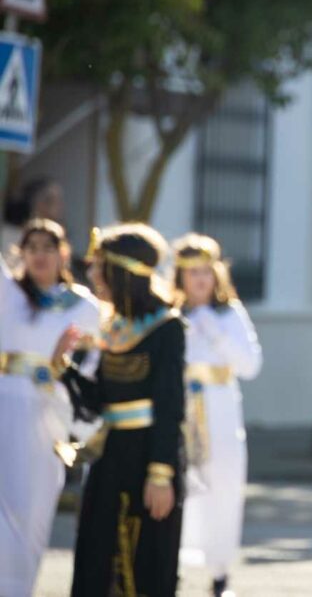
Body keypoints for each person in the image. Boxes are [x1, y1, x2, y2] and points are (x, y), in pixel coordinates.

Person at [55, 224, 186, 597]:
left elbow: (170, 405)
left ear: (122, 272)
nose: (93, 274)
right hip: (110, 457)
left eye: (100, 266)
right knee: (98, 558)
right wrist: (65, 367)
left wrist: (161, 475)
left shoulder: (167, 327)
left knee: (143, 563)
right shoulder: (113, 327)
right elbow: (100, 402)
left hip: (148, 458)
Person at [0, 219, 100, 597]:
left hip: (49, 415)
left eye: (47, 247)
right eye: (31, 247)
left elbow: (91, 371)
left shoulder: (83, 306)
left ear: (63, 252)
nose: (39, 255)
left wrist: (62, 377)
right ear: (21, 254)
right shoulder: (9, 295)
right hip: (4, 406)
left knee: (34, 510)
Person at [173, 233, 262, 597]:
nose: (199, 279)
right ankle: (173, 567)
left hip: (221, 410)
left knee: (223, 485)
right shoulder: (172, 315)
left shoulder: (230, 314)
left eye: (206, 271)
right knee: (181, 485)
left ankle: (220, 573)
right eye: (191, 272)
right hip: (181, 409)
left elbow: (251, 365)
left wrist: (217, 334)